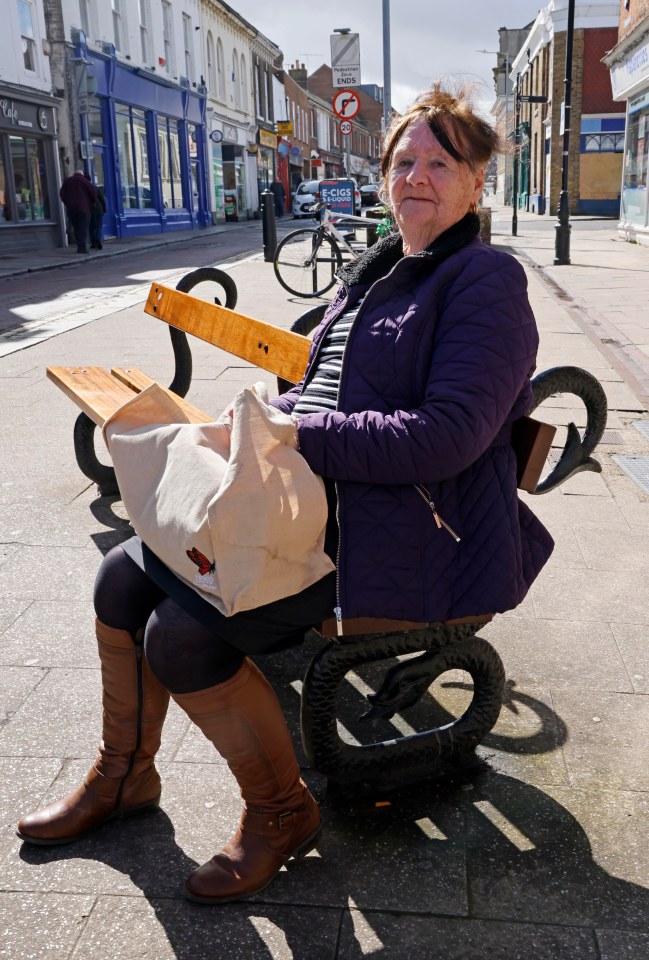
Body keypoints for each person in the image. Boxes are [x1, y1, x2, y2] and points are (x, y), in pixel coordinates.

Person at [17, 82, 553, 904]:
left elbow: (448, 435)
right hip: (323, 506)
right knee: (120, 576)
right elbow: (324, 390)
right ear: (381, 179)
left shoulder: (482, 280)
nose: (416, 176)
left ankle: (279, 813)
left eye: (439, 162)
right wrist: (271, 413)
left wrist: (296, 435)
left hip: (402, 536)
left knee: (183, 637)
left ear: (477, 181)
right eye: (403, 161)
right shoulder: (381, 270)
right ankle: (122, 777)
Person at [59, 169, 97, 253]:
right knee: (83, 228)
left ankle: (79, 245)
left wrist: (67, 202)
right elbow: (93, 192)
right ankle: (82, 248)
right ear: (82, 174)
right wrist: (91, 202)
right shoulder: (84, 181)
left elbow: (61, 193)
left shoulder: (67, 181)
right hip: (84, 208)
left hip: (71, 209)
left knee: (76, 228)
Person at [89, 181, 106, 250]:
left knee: (91, 227)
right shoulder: (94, 187)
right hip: (99, 209)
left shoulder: (83, 188)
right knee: (99, 227)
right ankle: (98, 239)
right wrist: (104, 209)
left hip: (90, 209)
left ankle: (93, 243)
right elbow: (102, 199)